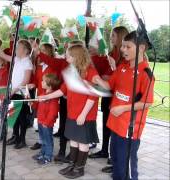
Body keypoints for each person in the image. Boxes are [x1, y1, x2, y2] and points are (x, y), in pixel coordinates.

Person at [94, 31, 154, 180]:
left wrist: (123, 108)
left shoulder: (146, 73)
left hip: (129, 129)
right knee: (116, 163)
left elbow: (146, 102)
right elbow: (110, 85)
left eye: (128, 47)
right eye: (123, 46)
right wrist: (96, 80)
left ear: (141, 48)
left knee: (125, 168)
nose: (123, 50)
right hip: (115, 125)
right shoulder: (122, 67)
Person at [39, 45, 100, 179]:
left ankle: (79, 168)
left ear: (76, 57)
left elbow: (94, 95)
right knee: (73, 140)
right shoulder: (71, 71)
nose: (65, 57)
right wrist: (46, 96)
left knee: (83, 142)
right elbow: (62, 90)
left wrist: (83, 114)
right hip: (72, 112)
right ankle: (72, 164)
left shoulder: (91, 72)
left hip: (85, 115)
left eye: (68, 55)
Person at [89, 26, 129, 173]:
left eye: (113, 36)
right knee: (107, 124)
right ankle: (106, 150)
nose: (111, 38)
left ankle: (115, 158)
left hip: (118, 97)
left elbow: (112, 76)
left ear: (120, 37)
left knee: (116, 128)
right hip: (108, 93)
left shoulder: (123, 56)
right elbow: (105, 73)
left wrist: (110, 72)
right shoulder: (111, 53)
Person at [0, 38, 33, 149]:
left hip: (21, 93)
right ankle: (15, 136)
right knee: (13, 116)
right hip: (13, 91)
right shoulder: (17, 59)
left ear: (25, 50)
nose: (15, 49)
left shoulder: (27, 62)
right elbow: (2, 55)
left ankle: (22, 139)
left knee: (21, 118)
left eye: (18, 47)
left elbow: (25, 81)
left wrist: (13, 90)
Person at [32, 73, 60, 165]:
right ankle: (42, 153)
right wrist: (32, 104)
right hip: (41, 121)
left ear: (50, 85)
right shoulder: (43, 94)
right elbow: (39, 106)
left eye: (43, 81)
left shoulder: (53, 98)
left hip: (47, 124)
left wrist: (47, 122)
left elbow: (53, 112)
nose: (41, 82)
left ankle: (48, 156)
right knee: (42, 139)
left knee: (47, 140)